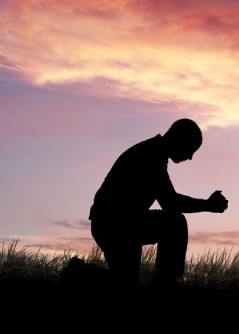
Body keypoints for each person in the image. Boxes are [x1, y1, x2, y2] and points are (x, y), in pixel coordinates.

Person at [89, 118, 228, 287]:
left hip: (121, 223)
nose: (190, 157)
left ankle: (80, 274)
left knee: (125, 284)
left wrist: (207, 204)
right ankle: (165, 283)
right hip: (115, 225)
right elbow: (171, 203)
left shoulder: (154, 153)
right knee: (175, 222)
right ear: (179, 140)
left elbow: (169, 199)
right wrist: (208, 205)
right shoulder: (151, 156)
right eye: (190, 149)